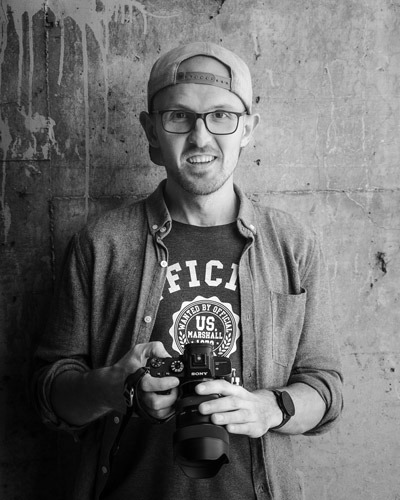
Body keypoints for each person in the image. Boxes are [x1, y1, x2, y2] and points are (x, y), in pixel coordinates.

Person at [33, 42, 343, 500]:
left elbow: (326, 388)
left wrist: (270, 408)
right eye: (179, 116)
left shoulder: (292, 244)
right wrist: (115, 388)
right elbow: (48, 393)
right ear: (151, 130)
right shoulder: (101, 244)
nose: (200, 137)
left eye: (221, 115)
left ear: (248, 129)